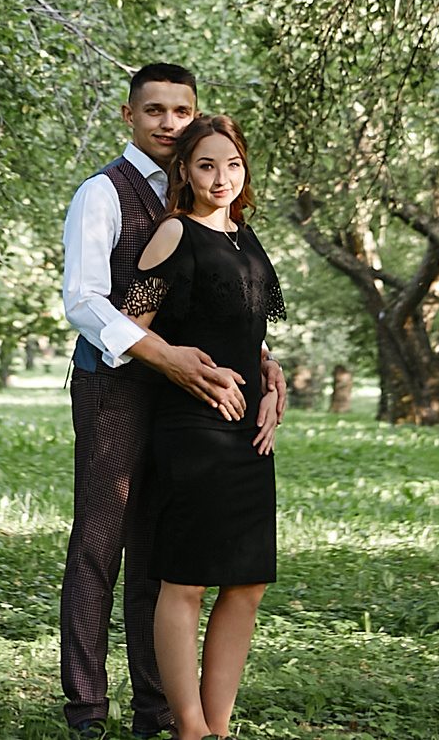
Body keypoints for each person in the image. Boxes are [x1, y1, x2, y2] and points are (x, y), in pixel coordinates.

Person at [60, 65, 284, 739]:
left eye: (181, 110)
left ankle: (158, 710)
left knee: (164, 552)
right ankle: (87, 709)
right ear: (129, 115)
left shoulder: (212, 200)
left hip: (192, 395)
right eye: (153, 109)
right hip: (118, 385)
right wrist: (166, 356)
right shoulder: (102, 193)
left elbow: (215, 307)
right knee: (101, 544)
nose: (168, 121)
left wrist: (263, 365)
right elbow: (85, 301)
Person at [121, 113, 284, 740]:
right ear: (184, 171)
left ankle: (218, 728)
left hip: (252, 431)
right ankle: (188, 728)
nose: (221, 177)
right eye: (207, 165)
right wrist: (183, 368)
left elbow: (250, 333)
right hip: (194, 424)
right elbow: (136, 326)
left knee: (247, 581)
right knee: (185, 579)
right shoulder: (172, 233)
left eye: (232, 164)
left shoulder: (247, 237)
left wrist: (271, 377)